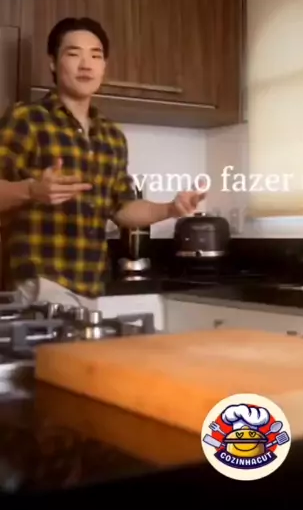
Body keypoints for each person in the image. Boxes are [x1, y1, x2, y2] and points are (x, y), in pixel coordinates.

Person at [0, 17, 206, 306]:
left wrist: (171, 208)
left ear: (104, 66)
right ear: (53, 63)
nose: (86, 64)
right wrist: (32, 190)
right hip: (39, 283)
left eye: (95, 56)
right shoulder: (27, 119)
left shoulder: (112, 136)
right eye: (74, 54)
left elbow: (122, 208)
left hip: (91, 286)